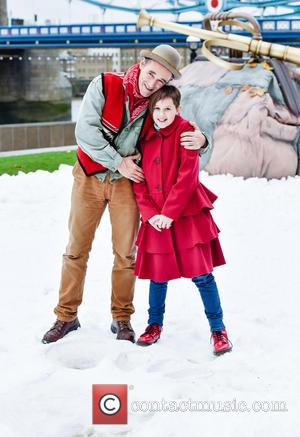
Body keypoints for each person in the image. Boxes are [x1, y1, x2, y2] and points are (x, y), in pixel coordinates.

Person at [42, 45, 209, 344]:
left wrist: (203, 139)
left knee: (125, 254)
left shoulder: (156, 104)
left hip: (126, 184)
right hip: (89, 177)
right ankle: (66, 317)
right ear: (142, 63)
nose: (154, 83)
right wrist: (119, 161)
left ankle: (122, 319)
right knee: (76, 249)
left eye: (162, 80)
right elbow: (85, 132)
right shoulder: (105, 84)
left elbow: (178, 125)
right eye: (152, 74)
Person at [133, 85, 232, 355]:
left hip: (186, 216)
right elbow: (138, 181)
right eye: (157, 109)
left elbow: (188, 178)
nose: (162, 114)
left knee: (202, 275)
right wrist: (151, 214)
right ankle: (154, 325)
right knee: (158, 276)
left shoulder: (187, 132)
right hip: (155, 218)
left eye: (168, 109)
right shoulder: (144, 136)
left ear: (178, 110)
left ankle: (218, 329)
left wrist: (169, 213)